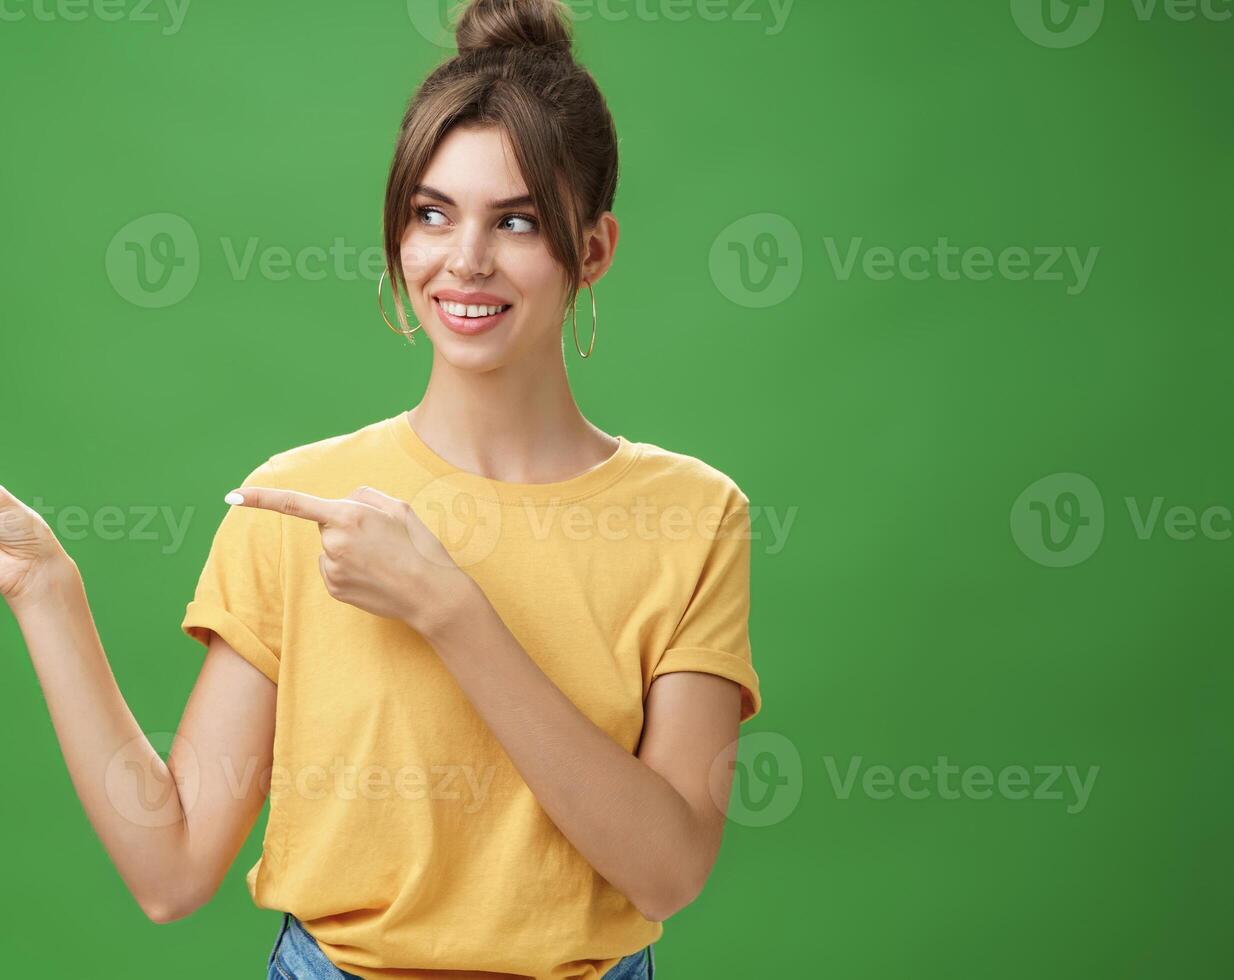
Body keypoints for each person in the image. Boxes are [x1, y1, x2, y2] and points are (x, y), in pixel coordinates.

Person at [0, 1, 758, 976]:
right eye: (430, 212)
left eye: (516, 220)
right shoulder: (297, 502)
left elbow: (667, 867)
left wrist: (450, 608)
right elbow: (171, 867)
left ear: (594, 249)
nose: (464, 260)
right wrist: (43, 586)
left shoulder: (692, 515)